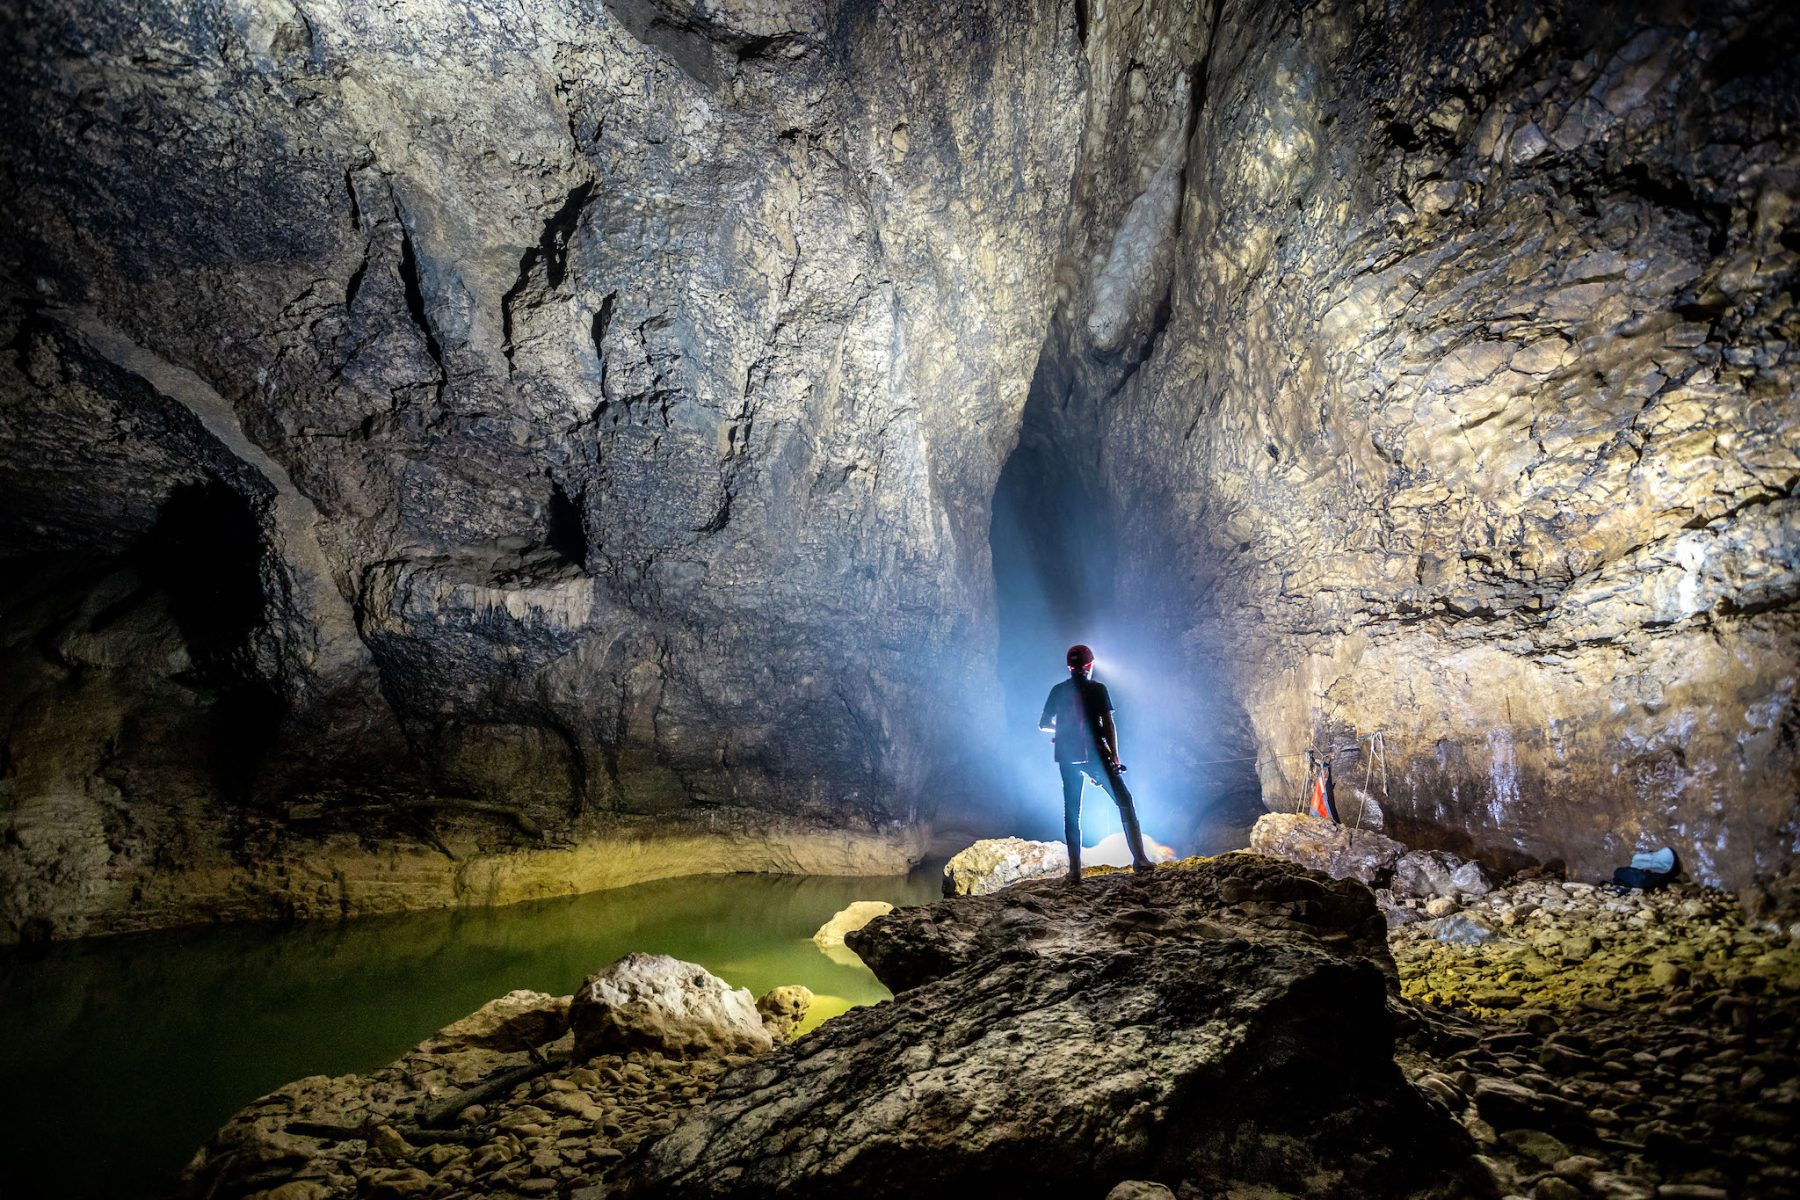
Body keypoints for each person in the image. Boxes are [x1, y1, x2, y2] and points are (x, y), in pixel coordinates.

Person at [1038, 644, 1153, 883]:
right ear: (1090, 665)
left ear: (1069, 667)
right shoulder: (1098, 688)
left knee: (1072, 811)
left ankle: (1074, 872)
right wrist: (1115, 755)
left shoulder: (1058, 690)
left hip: (1067, 755)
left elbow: (1043, 724)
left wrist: (1062, 731)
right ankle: (1140, 859)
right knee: (1124, 801)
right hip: (1095, 754)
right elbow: (1108, 724)